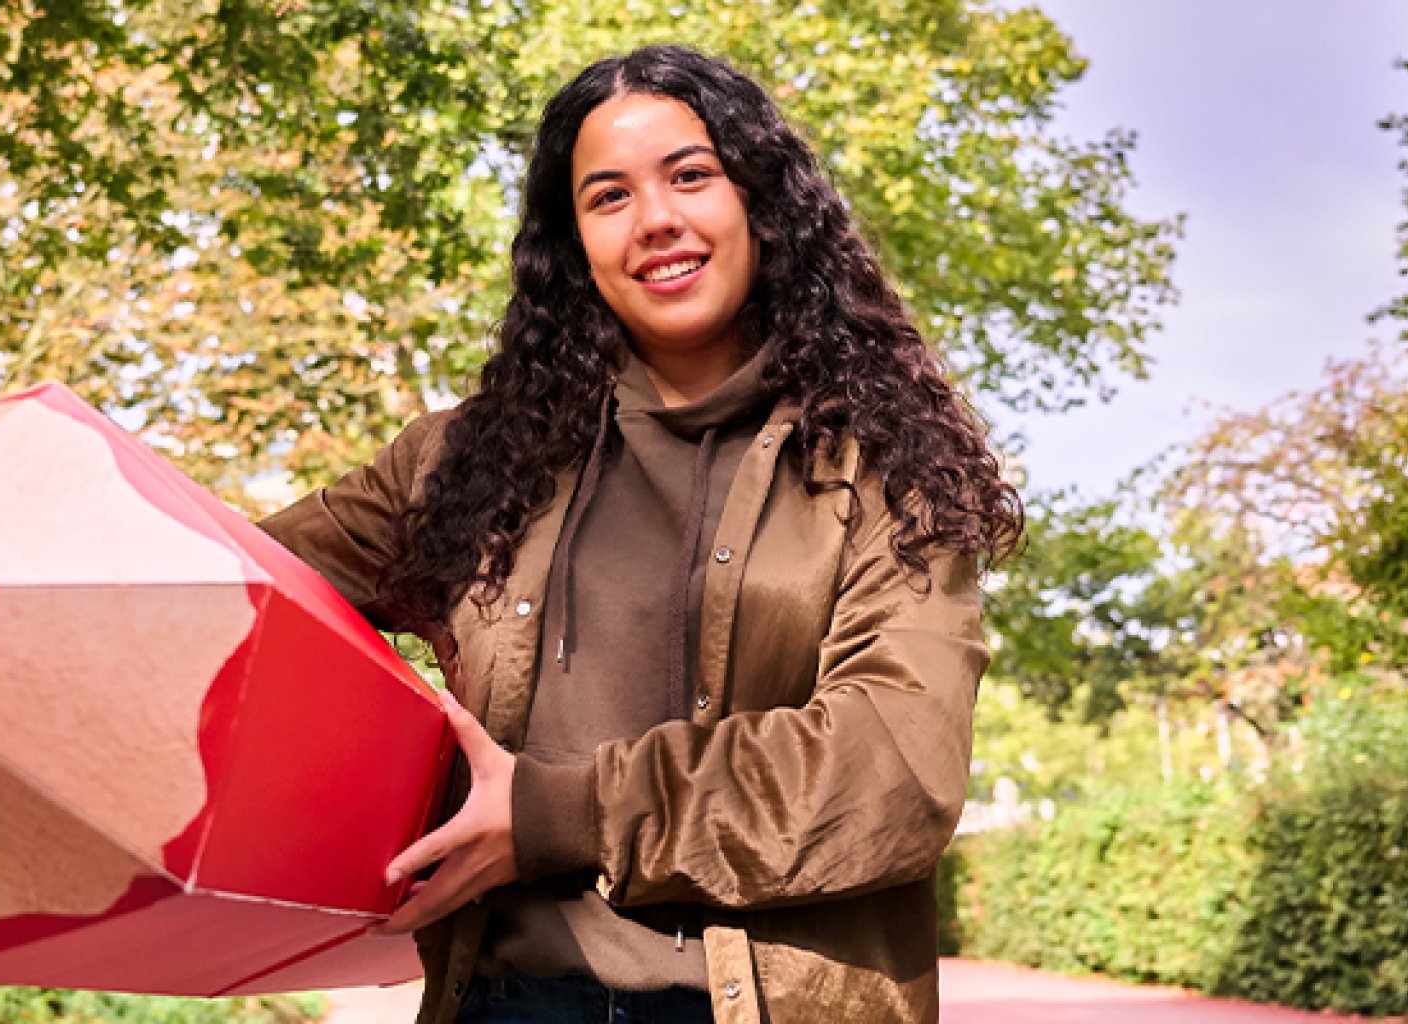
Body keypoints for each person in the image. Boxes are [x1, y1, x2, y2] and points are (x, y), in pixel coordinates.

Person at [259, 44, 1018, 1024]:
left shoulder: (881, 465)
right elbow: (236, 596)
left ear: (762, 201)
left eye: (690, 175)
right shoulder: (460, 460)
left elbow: (891, 772)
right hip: (504, 1001)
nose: (655, 219)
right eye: (607, 196)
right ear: (573, 244)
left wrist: (552, 814)